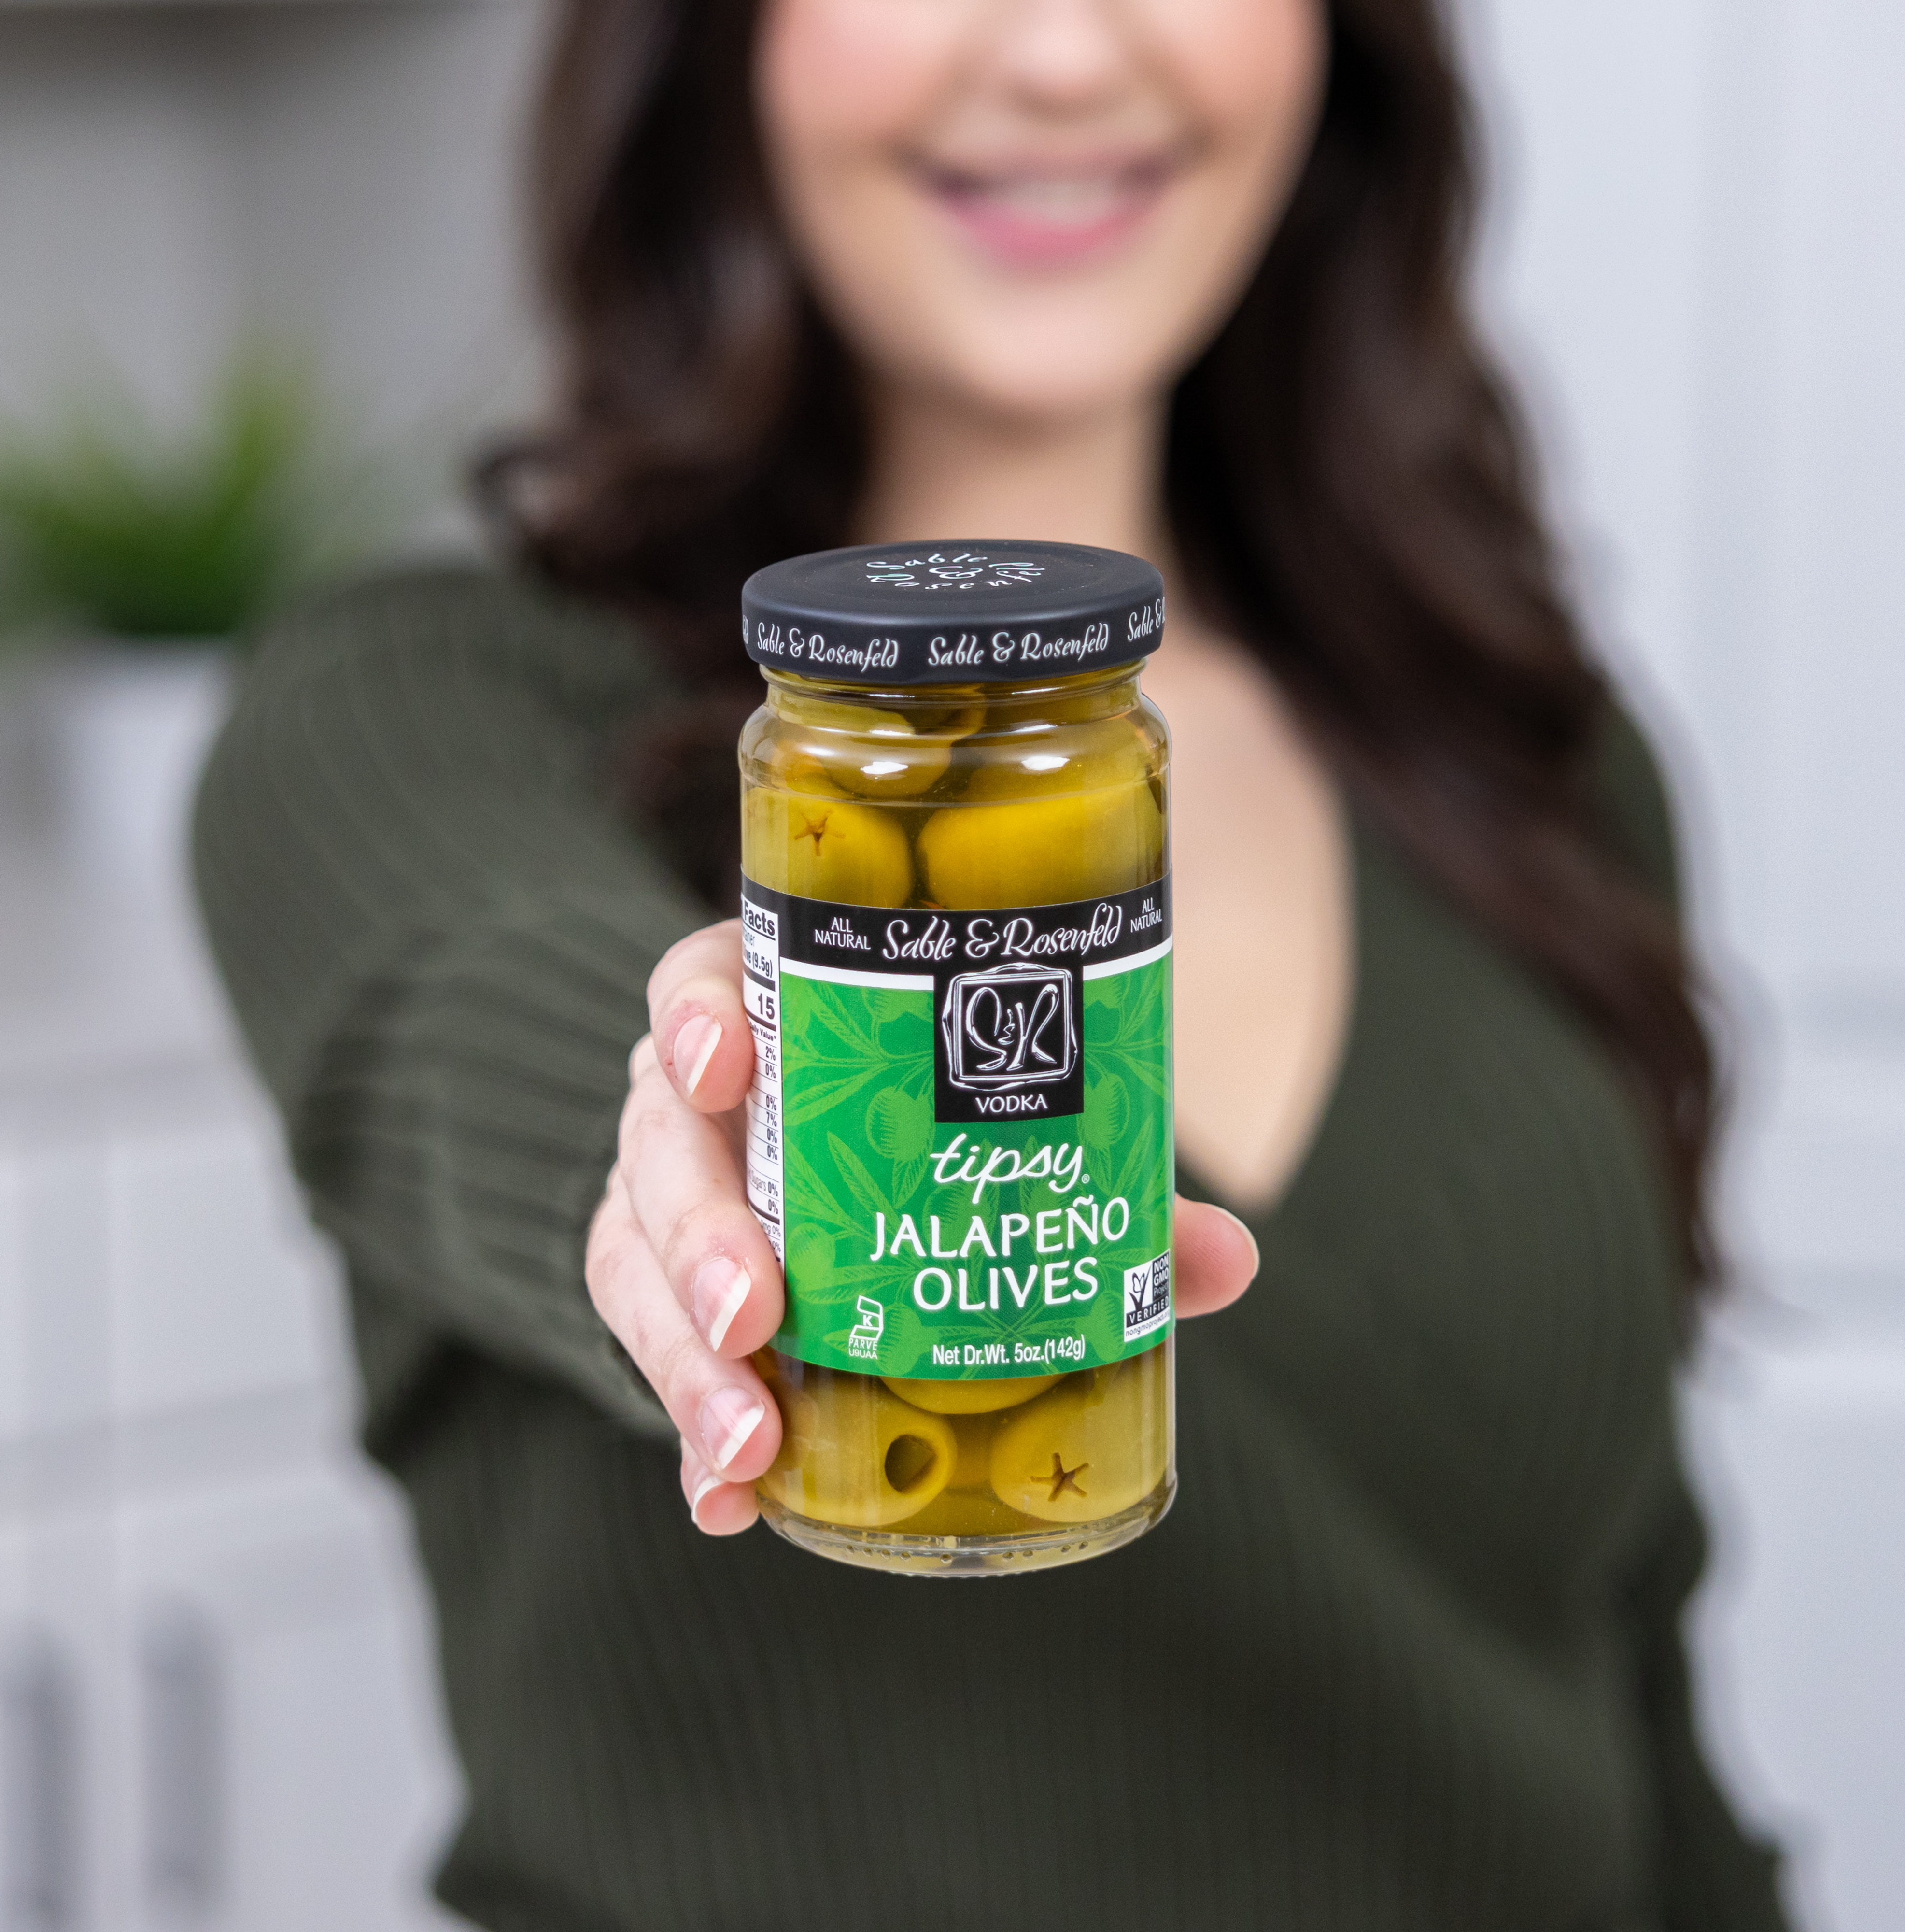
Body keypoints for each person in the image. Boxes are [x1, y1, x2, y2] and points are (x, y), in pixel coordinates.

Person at [195, 1, 1791, 1927]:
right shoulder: (426, 707)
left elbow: (1630, 1662)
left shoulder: (1525, 764)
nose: (1057, 56)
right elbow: (477, 1013)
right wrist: (693, 1176)